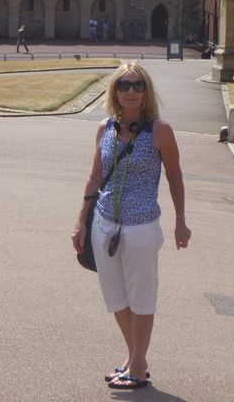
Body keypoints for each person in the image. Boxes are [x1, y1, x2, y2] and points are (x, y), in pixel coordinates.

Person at [71, 62, 191, 390]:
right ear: (115, 90)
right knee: (115, 296)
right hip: (105, 225)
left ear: (146, 91)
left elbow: (175, 176)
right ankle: (134, 356)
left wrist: (181, 220)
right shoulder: (105, 128)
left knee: (141, 296)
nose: (130, 91)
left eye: (137, 85)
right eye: (123, 85)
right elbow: (95, 176)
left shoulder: (159, 130)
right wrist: (81, 220)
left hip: (140, 227)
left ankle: (137, 366)